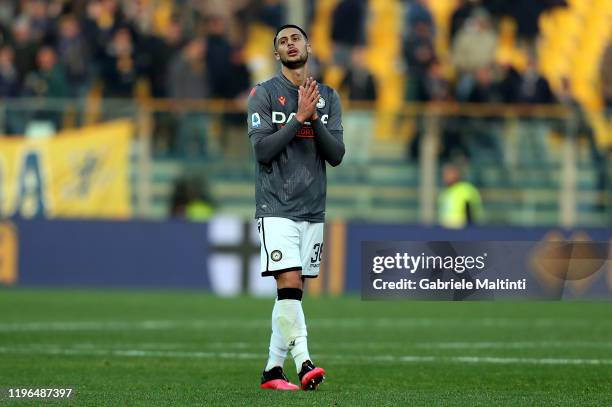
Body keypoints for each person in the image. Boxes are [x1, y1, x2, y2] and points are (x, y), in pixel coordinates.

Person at [247, 24, 345, 391]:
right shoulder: (263, 94)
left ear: (308, 46)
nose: (290, 44)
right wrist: (297, 118)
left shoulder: (328, 98)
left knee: (292, 294)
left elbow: (335, 155)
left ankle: (273, 370)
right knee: (288, 284)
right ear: (277, 54)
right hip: (275, 205)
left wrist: (313, 116)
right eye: (282, 42)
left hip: (312, 208)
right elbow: (262, 151)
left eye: (295, 39)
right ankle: (305, 362)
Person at [438, 163, 483, 228]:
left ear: (456, 174)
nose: (445, 177)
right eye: (445, 174)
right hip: (445, 230)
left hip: (461, 230)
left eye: (449, 174)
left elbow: (470, 211)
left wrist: (469, 227)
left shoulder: (465, 189)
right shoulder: (444, 193)